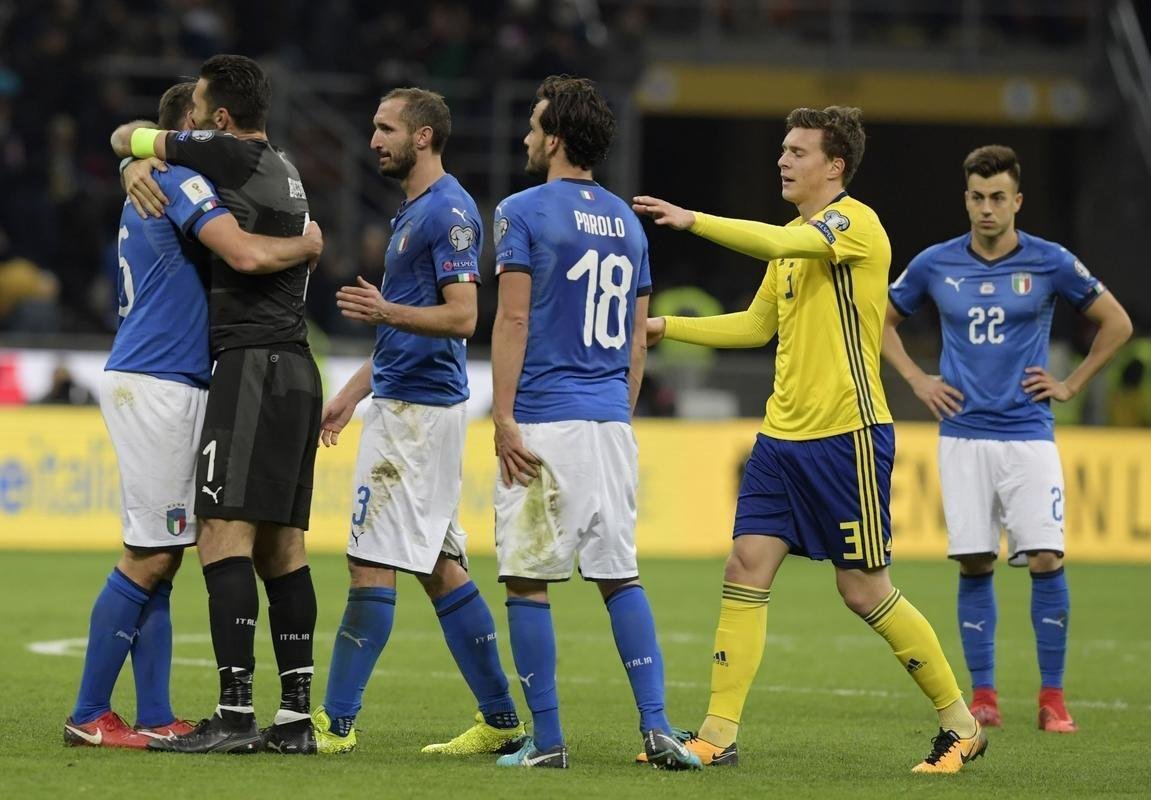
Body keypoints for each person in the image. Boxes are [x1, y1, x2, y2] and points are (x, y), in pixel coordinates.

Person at [631, 106, 985, 774]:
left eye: (797, 152)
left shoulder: (854, 224)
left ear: (834, 165)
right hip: (779, 440)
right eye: (781, 151)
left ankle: (960, 726)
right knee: (744, 566)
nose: (782, 161)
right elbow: (755, 326)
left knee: (862, 590)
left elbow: (773, 245)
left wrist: (693, 219)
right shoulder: (794, 240)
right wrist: (666, 327)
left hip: (845, 437)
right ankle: (715, 735)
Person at [66, 82, 322, 750]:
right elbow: (242, 253)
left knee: (168, 552)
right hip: (160, 382)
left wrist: (128, 157)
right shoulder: (179, 180)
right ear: (190, 126)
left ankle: (154, 715)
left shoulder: (153, 176)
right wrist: (306, 247)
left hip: (164, 376)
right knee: (149, 554)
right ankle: (90, 713)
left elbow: (128, 140)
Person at [489, 75, 701, 771]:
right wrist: (619, 407)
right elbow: (638, 339)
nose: (525, 135)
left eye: (532, 123)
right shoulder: (627, 222)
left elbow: (514, 317)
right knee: (619, 576)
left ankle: (546, 741)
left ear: (554, 139)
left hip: (546, 420)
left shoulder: (521, 210)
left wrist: (502, 416)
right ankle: (658, 725)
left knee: (526, 580)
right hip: (610, 422)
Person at [883, 144, 1133, 733]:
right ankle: (986, 696)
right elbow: (882, 323)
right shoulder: (935, 264)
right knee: (974, 562)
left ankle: (1052, 699)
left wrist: (1071, 383)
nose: (987, 208)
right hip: (962, 436)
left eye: (998, 197)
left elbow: (1116, 322)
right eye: (977, 197)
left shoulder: (1049, 262)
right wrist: (919, 380)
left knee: (1046, 556)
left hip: (1028, 435)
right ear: (965, 198)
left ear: (1017, 200)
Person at [307, 88, 525, 757]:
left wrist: (385, 315)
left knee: (368, 561)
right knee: (437, 565)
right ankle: (499, 720)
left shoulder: (449, 213)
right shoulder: (415, 212)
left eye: (385, 128)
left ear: (424, 136)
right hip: (404, 402)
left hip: (418, 415)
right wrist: (350, 392)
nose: (373, 139)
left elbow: (463, 318)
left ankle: (333, 725)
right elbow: (405, 322)